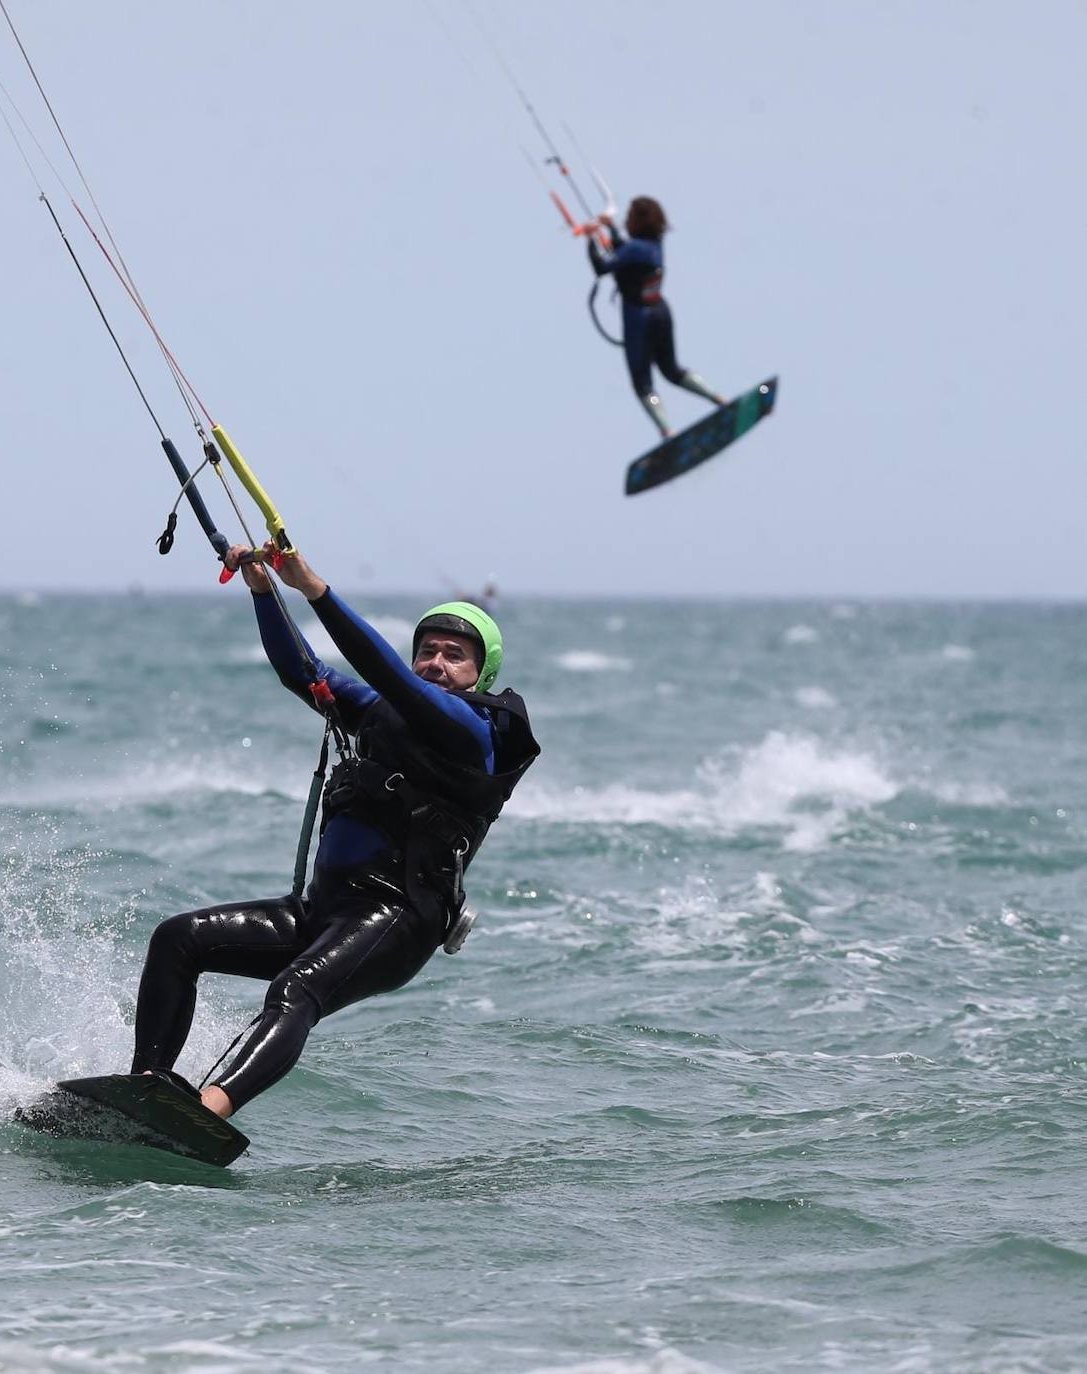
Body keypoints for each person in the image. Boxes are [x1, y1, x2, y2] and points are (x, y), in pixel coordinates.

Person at [129, 543, 540, 1119]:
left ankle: (207, 1110)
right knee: (179, 938)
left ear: (481, 674)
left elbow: (390, 678)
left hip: (395, 918)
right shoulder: (381, 711)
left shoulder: (476, 735)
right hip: (323, 911)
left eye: (454, 656)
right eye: (426, 652)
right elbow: (303, 672)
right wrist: (264, 590)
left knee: (294, 992)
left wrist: (314, 588)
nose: (435, 663)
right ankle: (143, 1089)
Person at [586, 195, 727, 439]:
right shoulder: (654, 245)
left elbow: (602, 267)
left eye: (629, 218)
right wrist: (609, 228)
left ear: (638, 222)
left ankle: (666, 430)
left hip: (639, 321)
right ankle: (720, 399)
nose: (626, 221)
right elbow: (624, 252)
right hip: (661, 313)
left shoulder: (633, 249)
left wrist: (590, 240)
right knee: (672, 370)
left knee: (643, 384)